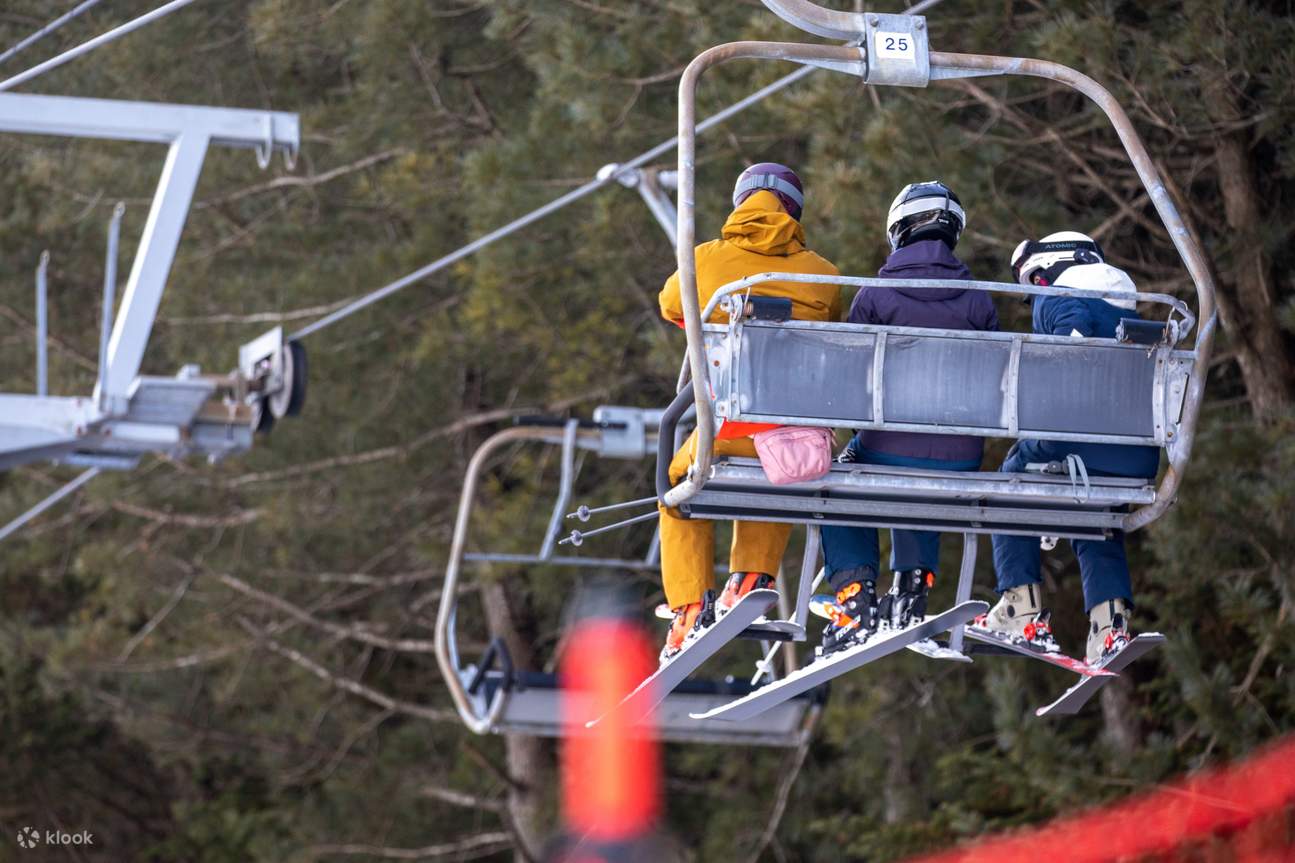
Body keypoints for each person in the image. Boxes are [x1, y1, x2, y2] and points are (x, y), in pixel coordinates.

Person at [657, 162, 842, 662]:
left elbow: (671, 306)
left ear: (739, 203)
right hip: (788, 436)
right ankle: (752, 577)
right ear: (794, 210)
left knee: (678, 485)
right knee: (774, 473)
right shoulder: (823, 275)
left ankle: (690, 605)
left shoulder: (703, 260)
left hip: (725, 431)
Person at [819, 181, 999, 654]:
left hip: (886, 448)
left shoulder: (876, 296)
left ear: (898, 229)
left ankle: (855, 593)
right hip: (962, 457)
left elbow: (850, 375)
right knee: (924, 467)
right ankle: (913, 582)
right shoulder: (981, 300)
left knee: (839, 479)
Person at [977, 231, 1160, 664]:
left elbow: (1069, 351)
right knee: (1095, 517)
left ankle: (1020, 607)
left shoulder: (1060, 297)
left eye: (1034, 280)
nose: (1034, 293)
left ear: (1052, 265)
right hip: (1135, 454)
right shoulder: (1123, 306)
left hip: (1076, 439)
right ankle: (1109, 622)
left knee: (1009, 480)